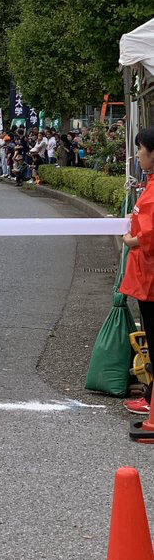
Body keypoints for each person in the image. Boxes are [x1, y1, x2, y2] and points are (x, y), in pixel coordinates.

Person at [120, 127, 154, 415]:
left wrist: (132, 240)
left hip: (150, 276)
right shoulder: (150, 184)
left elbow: (150, 234)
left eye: (141, 150)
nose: (138, 156)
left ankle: (152, 401)